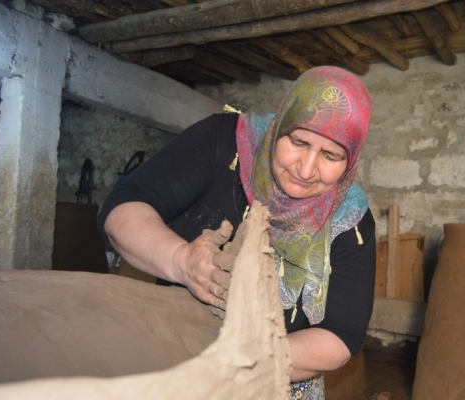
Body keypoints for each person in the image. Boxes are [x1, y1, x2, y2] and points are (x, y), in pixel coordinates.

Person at [98, 65, 376, 399]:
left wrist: (245, 358)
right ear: (280, 123)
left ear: (351, 160)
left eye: (330, 155)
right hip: (173, 351)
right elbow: (122, 210)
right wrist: (181, 259)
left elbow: (342, 335)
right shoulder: (222, 142)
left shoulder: (351, 218)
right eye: (298, 141)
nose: (305, 169)